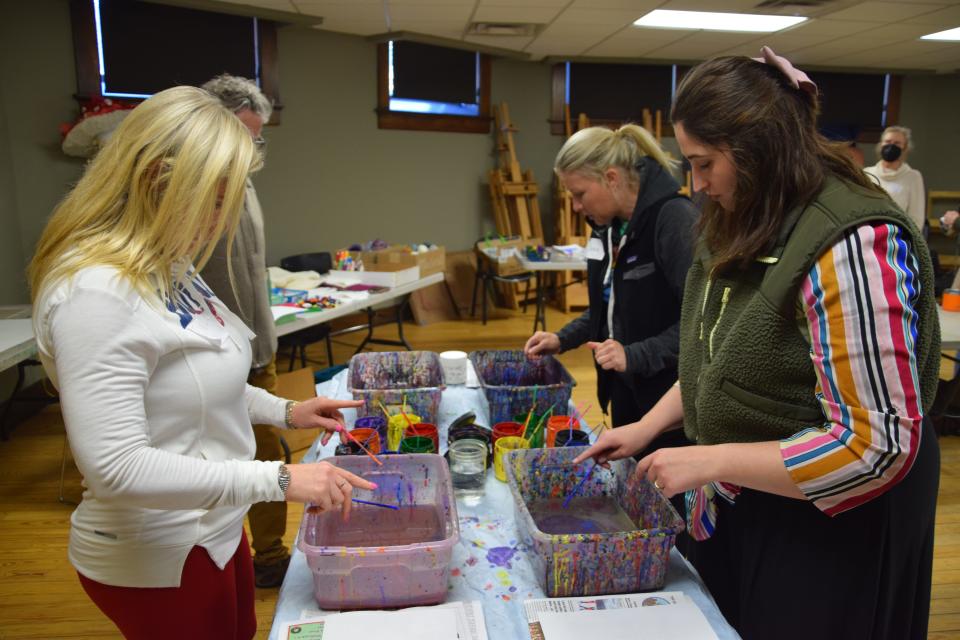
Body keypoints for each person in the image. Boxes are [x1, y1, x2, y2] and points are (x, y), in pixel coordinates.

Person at [575, 48, 940, 640]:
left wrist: (709, 457)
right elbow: (720, 362)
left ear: (759, 149)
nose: (696, 183)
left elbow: (876, 447)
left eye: (704, 163)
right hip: (757, 493)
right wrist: (649, 426)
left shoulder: (852, 244)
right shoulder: (751, 209)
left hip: (838, 519)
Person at [28, 86, 375, 640]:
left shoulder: (167, 264)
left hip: (214, 527)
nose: (223, 220)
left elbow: (199, 384)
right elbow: (116, 468)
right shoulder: (94, 292)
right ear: (154, 183)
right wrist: (279, 477)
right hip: (159, 552)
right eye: (215, 200)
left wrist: (288, 411)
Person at [523, 124, 698, 446]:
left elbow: (702, 323)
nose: (576, 206)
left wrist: (636, 354)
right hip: (625, 386)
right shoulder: (607, 228)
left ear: (612, 178)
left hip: (669, 400)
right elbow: (610, 305)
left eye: (580, 194)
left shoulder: (674, 221)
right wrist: (561, 339)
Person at [198, 74, 288, 588]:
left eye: (254, 139)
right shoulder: (185, 186)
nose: (247, 148)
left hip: (256, 348)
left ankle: (269, 555)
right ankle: (223, 557)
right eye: (241, 135)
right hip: (210, 351)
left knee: (265, 451)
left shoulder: (245, 180)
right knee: (223, 458)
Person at [864, 125, 926, 232]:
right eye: (887, 141)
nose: (891, 146)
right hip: (869, 234)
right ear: (881, 144)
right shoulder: (867, 173)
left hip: (897, 236)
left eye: (897, 143)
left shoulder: (913, 177)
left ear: (905, 147)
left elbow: (917, 216)